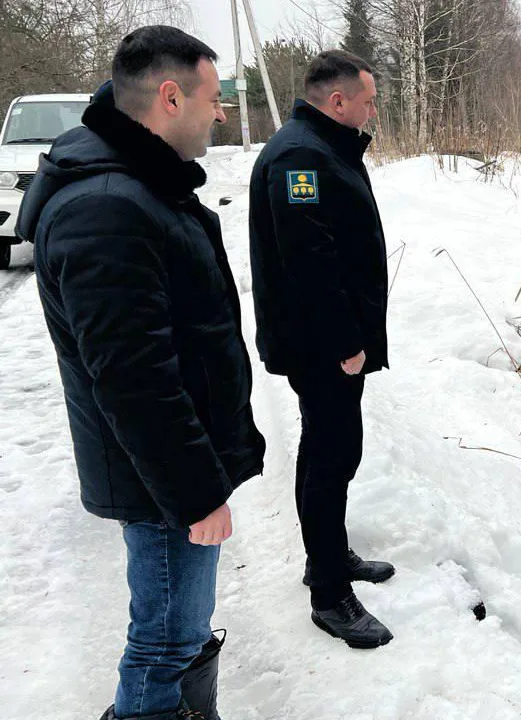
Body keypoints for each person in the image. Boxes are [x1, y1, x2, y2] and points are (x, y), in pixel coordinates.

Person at [17, 26, 264, 720]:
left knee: (176, 633)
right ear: (168, 95)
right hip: (161, 484)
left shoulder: (135, 183)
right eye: (213, 99)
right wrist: (195, 495)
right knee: (163, 643)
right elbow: (134, 379)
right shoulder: (106, 207)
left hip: (171, 471)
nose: (220, 114)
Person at [248, 49, 394, 649]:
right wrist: (345, 343)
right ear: (338, 101)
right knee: (331, 456)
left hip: (325, 342)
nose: (373, 109)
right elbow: (309, 261)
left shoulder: (320, 145)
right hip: (321, 345)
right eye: (368, 100)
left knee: (333, 449)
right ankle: (330, 594)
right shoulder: (301, 157)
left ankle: (329, 556)